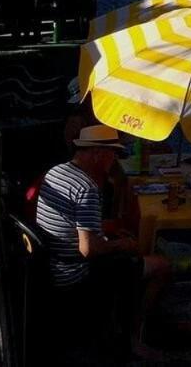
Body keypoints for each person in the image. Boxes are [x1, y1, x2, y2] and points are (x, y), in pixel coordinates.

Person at [35, 126, 170, 359]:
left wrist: (112, 228)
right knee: (160, 265)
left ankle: (122, 327)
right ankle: (133, 338)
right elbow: (89, 249)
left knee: (127, 251)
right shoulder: (87, 188)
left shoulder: (56, 171)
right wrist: (122, 245)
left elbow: (73, 224)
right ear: (97, 153)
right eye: (113, 153)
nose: (115, 159)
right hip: (75, 273)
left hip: (52, 263)